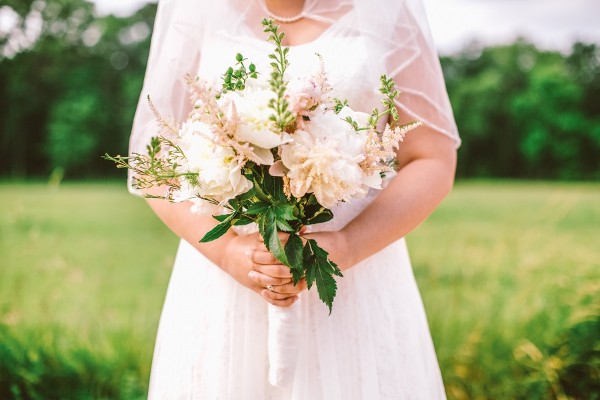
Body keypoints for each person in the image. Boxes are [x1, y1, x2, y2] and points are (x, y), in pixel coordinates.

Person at [128, 0, 460, 398]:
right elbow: (151, 165)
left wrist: (348, 245)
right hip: (225, 283)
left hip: (356, 278)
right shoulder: (199, 10)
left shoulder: (386, 12)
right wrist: (228, 254)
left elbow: (431, 157)